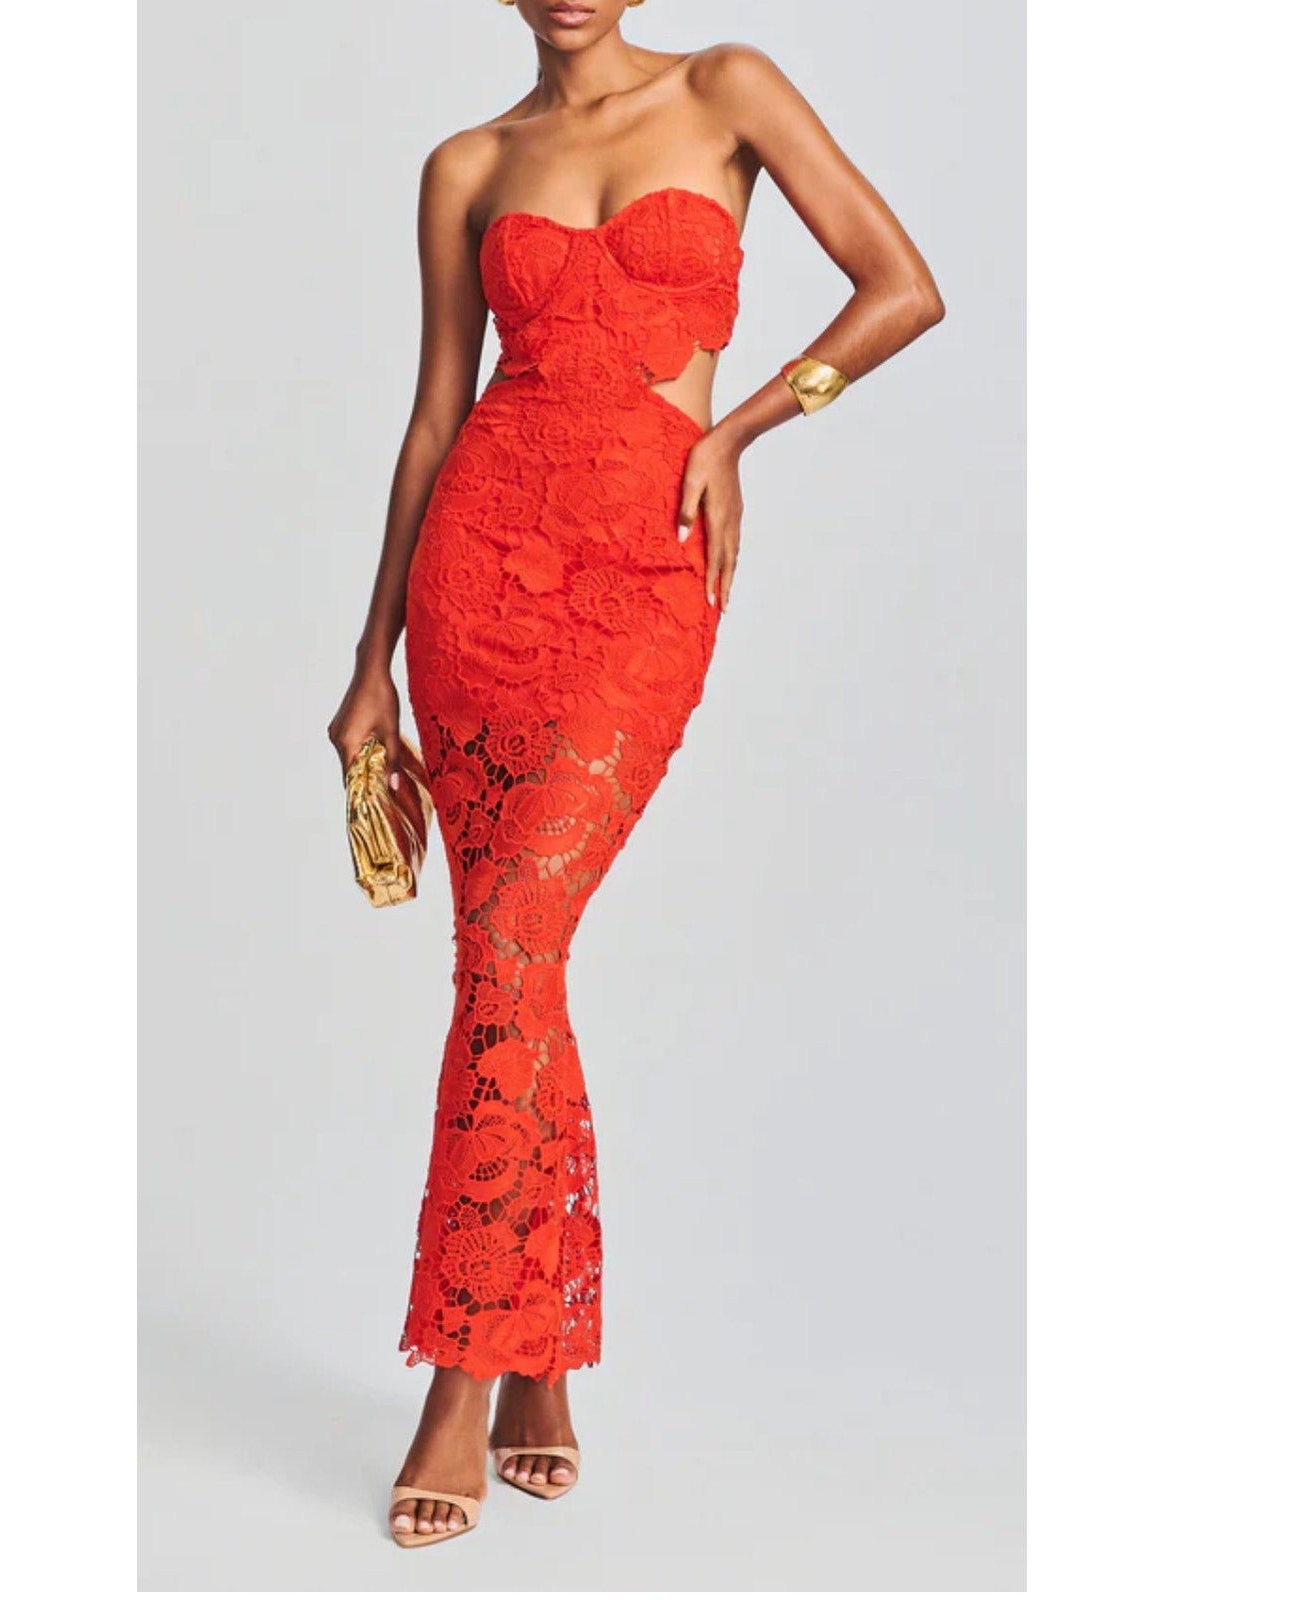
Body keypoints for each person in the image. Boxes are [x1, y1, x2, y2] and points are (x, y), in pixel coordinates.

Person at [327, 0, 944, 1549]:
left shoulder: (729, 89)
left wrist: (740, 431)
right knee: (507, 962)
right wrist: (368, 663)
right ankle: (525, 1365)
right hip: (477, 570)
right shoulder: (469, 163)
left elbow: (902, 288)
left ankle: (467, 1369)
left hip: (644, 581)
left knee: (513, 952)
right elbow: (434, 414)